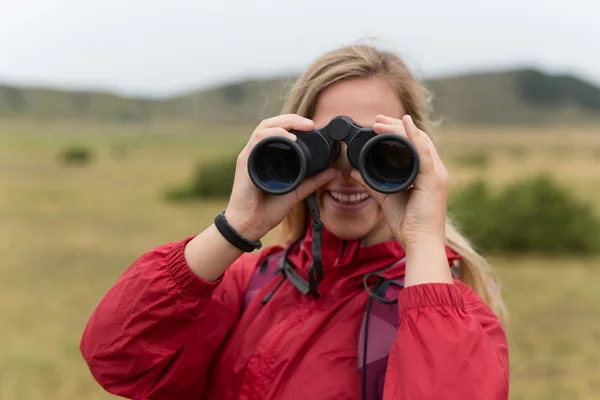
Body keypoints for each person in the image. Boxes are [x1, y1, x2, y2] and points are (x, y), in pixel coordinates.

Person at [80, 44, 509, 400]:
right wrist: (236, 227)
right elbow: (116, 360)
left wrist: (423, 243)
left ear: (417, 154)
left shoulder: (450, 311)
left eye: (376, 148)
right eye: (323, 144)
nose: (347, 171)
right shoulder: (250, 282)